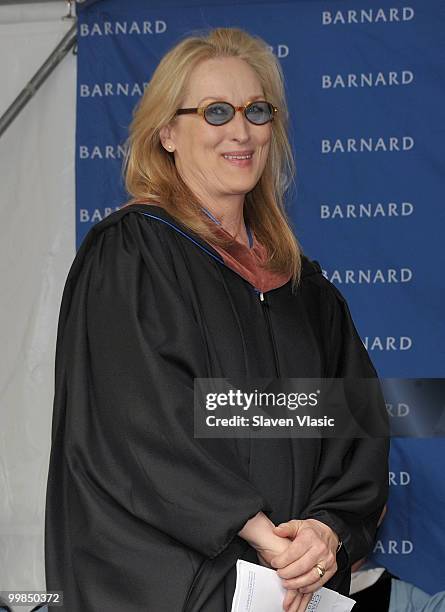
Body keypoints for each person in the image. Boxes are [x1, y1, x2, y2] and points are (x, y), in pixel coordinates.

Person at [44, 27, 389, 612]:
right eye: (216, 111)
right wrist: (261, 535)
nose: (241, 130)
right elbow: (138, 425)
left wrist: (324, 533)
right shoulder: (132, 256)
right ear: (167, 133)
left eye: (257, 111)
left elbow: (355, 421)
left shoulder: (305, 291)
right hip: (170, 588)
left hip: (291, 591)